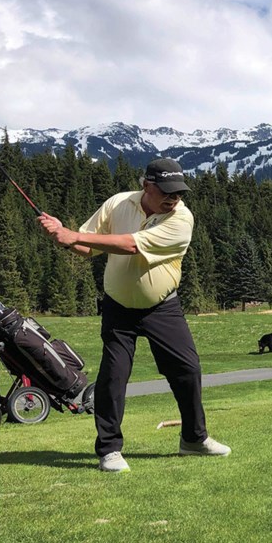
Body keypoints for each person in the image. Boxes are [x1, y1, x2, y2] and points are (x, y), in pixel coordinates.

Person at [38, 157, 230, 473]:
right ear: (146, 185)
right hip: (118, 307)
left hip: (162, 307)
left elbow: (130, 246)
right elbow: (87, 248)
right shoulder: (118, 204)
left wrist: (73, 235)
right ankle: (109, 451)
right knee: (114, 375)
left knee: (186, 369)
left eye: (179, 192)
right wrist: (62, 235)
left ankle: (194, 440)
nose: (173, 198)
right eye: (166, 191)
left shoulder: (181, 220)